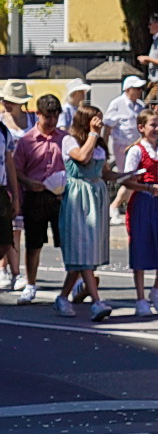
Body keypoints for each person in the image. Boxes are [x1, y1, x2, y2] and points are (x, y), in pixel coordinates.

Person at [57, 104, 114, 321]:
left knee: (86, 252)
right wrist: (92, 134)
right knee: (83, 249)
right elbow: (81, 157)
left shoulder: (98, 143)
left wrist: (129, 177)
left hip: (95, 196)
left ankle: (62, 297)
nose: (99, 124)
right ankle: (97, 302)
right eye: (95, 120)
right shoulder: (69, 141)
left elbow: (105, 173)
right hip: (78, 197)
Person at [13, 94, 67, 305]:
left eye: (55, 117)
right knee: (34, 243)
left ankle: (75, 281)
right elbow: (16, 170)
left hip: (60, 197)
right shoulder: (27, 141)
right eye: (48, 117)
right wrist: (28, 183)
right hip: (35, 195)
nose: (52, 121)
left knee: (66, 242)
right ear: (38, 115)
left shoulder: (64, 138)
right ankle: (30, 283)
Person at [122, 108, 158, 316]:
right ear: (141, 128)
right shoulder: (136, 151)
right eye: (153, 124)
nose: (157, 128)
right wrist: (147, 188)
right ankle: (140, 297)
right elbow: (126, 180)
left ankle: (157, 290)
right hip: (142, 202)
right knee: (141, 247)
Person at [105, 75, 148, 226]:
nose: (140, 91)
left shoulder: (140, 106)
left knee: (133, 177)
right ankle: (115, 206)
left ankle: (127, 207)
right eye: (137, 88)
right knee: (128, 177)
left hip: (136, 145)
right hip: (122, 146)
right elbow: (108, 126)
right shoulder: (117, 104)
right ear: (128, 89)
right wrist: (104, 147)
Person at [0, 107, 18, 292]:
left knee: (5, 241)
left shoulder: (3, 131)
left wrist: (15, 197)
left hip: (1, 191)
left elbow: (9, 164)